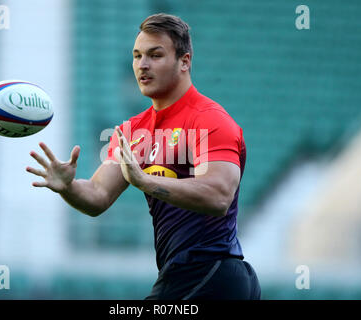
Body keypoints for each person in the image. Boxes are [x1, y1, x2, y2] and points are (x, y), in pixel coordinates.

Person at [26, 13, 261, 300]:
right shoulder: (132, 130)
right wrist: (68, 187)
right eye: (137, 56)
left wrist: (144, 181)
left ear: (184, 61)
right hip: (181, 276)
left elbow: (218, 196)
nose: (143, 65)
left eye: (155, 55)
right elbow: (98, 196)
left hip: (212, 273)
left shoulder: (210, 119)